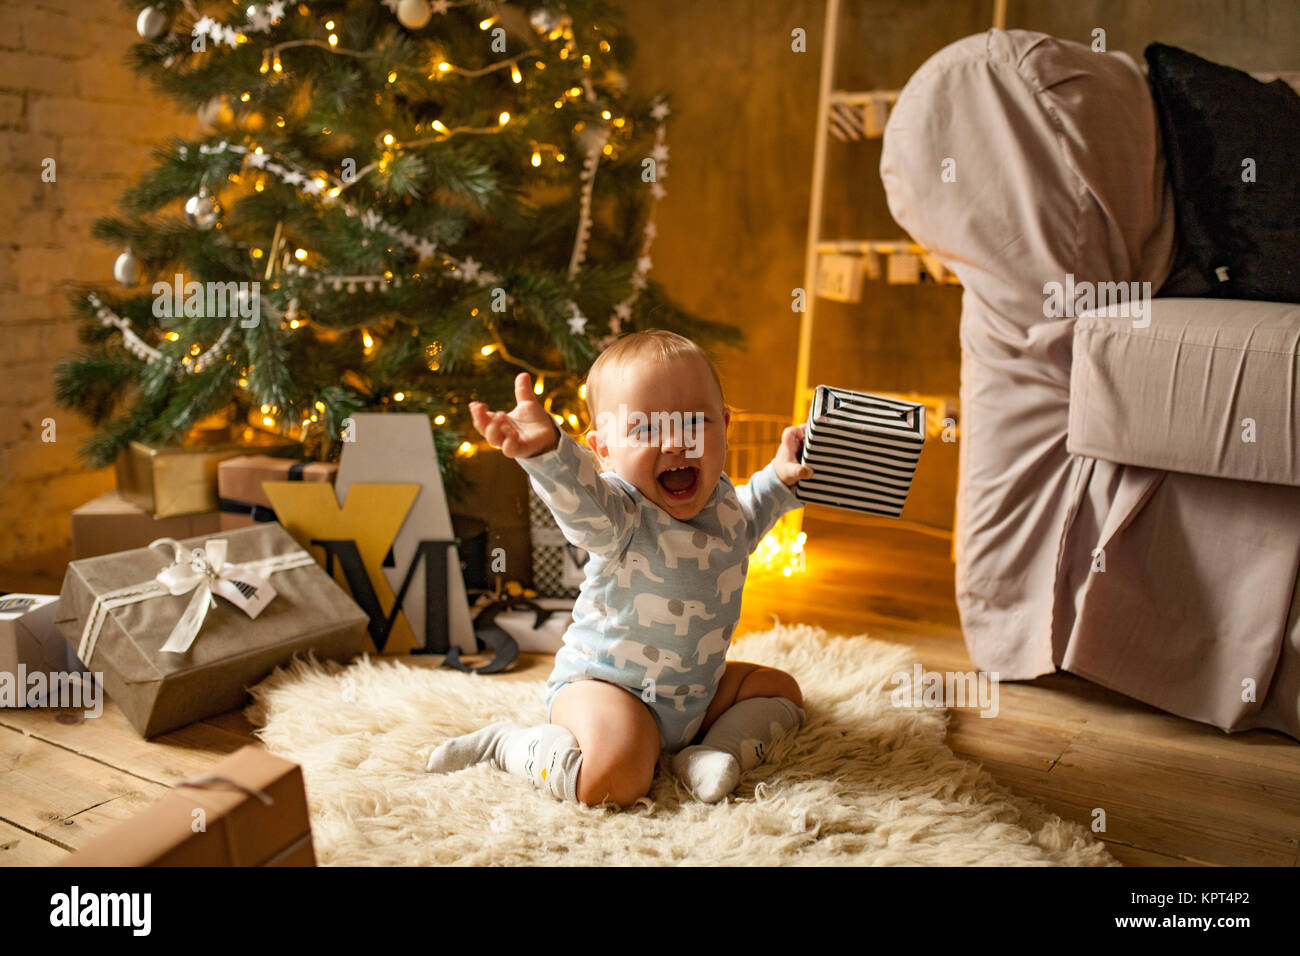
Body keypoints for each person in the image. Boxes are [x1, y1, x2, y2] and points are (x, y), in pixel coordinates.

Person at [427, 330, 811, 807]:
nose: (676, 442)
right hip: (609, 689)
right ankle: (509, 745)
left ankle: (711, 752)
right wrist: (548, 453)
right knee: (613, 780)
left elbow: (752, 512)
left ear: (725, 427)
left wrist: (780, 474)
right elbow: (579, 502)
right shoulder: (618, 515)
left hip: (696, 691)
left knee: (781, 692)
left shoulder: (724, 505)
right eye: (646, 429)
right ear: (603, 451)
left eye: (695, 422)